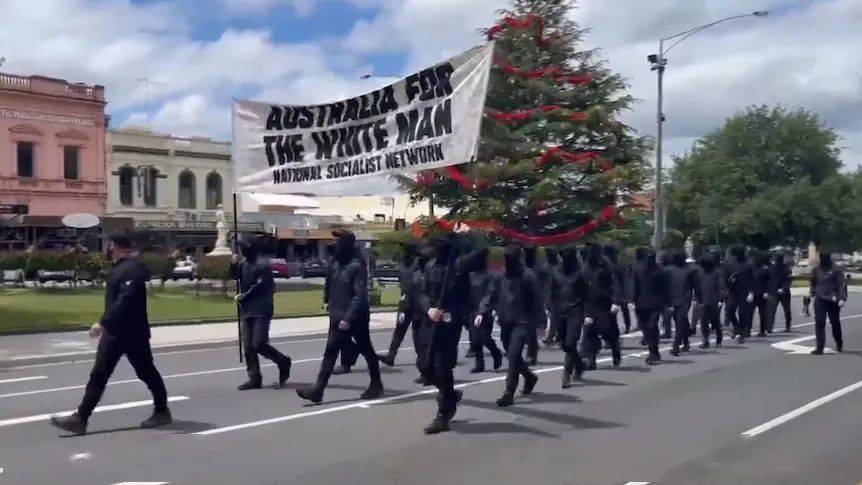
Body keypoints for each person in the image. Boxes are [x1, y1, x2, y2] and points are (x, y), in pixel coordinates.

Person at [50, 234, 171, 435]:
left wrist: (102, 323)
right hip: (114, 333)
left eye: (109, 245)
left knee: (146, 372)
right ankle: (80, 419)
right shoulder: (119, 269)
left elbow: (125, 301)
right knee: (99, 374)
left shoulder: (132, 269)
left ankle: (161, 410)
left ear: (114, 245)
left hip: (133, 334)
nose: (107, 248)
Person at [297, 230, 383, 403]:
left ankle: (375, 384)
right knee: (333, 351)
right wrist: (326, 300)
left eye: (338, 241)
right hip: (337, 314)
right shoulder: (335, 262)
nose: (335, 244)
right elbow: (329, 283)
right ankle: (318, 390)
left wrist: (348, 318)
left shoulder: (356, 265)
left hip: (354, 316)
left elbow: (359, 296)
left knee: (364, 349)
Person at [417, 228, 483, 434]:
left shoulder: (458, 265)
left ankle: (444, 414)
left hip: (448, 322)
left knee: (443, 368)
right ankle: (450, 394)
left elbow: (482, 250)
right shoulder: (429, 266)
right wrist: (429, 308)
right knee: (424, 366)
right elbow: (420, 292)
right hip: (430, 320)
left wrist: (470, 233)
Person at [479, 245, 541, 406]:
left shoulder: (528, 276)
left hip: (523, 322)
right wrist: (482, 311)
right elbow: (490, 294)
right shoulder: (500, 276)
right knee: (512, 355)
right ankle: (529, 377)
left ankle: (509, 392)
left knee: (513, 356)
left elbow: (536, 301)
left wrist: (540, 323)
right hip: (505, 321)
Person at [234, 236, 292, 391]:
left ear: (251, 248)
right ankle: (254, 378)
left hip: (261, 309)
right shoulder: (242, 265)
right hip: (247, 310)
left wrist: (244, 296)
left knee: (259, 344)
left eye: (243, 247)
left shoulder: (262, 265)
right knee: (248, 346)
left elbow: (260, 285)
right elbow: (234, 278)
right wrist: (232, 265)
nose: (241, 250)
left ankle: (283, 361)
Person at [581, 243, 622, 369]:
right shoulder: (585, 267)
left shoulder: (606, 265)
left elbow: (614, 283)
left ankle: (616, 354)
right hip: (590, 303)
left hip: (605, 304)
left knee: (609, 331)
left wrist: (615, 301)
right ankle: (591, 359)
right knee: (589, 331)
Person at [378, 245, 418, 366]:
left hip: (417, 302)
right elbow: (403, 283)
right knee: (399, 330)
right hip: (405, 301)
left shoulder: (417, 265)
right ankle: (391, 355)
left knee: (418, 332)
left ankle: (424, 357)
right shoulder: (402, 267)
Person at [554, 248, 589, 387]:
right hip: (560, 312)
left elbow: (586, 295)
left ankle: (566, 374)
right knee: (563, 344)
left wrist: (587, 314)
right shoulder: (557, 272)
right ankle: (579, 365)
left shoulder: (580, 274)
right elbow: (552, 293)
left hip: (576, 311)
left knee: (571, 343)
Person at [467, 248, 503, 373]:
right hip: (472, 309)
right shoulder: (470, 275)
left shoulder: (490, 275)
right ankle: (479, 363)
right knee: (475, 338)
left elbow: (490, 293)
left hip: (486, 310)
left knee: (484, 337)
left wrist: (483, 311)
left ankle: (496, 352)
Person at [633, 248, 669, 365]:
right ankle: (653, 350)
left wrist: (666, 303)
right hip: (641, 303)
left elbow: (665, 288)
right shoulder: (638, 270)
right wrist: (631, 300)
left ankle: (653, 353)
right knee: (645, 328)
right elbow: (634, 286)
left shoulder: (660, 271)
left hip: (655, 304)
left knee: (652, 326)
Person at [809, 252, 847, 354]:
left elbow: (842, 284)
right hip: (820, 299)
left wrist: (842, 298)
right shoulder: (816, 270)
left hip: (833, 300)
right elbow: (813, 283)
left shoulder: (836, 270)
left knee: (834, 322)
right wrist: (812, 293)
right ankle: (819, 347)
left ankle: (839, 342)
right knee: (819, 323)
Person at [666, 252, 697, 356]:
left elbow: (693, 285)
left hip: (684, 300)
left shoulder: (689, 270)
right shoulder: (669, 270)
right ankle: (686, 342)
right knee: (681, 322)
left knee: (679, 322)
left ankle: (676, 346)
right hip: (673, 300)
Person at [523, 244, 549, 365]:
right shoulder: (521, 266)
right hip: (521, 299)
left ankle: (531, 354)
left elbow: (545, 284)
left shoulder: (540, 268)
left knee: (531, 328)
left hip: (535, 300)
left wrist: (544, 298)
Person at [724, 246, 755, 343]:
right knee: (729, 310)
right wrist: (727, 286)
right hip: (733, 291)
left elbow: (752, 280)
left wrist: (751, 292)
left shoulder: (749, 264)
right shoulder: (730, 263)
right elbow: (726, 277)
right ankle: (736, 327)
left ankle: (741, 333)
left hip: (745, 292)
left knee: (743, 314)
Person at [695, 251, 725, 348]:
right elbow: (698, 287)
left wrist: (720, 300)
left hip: (714, 300)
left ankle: (719, 338)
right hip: (703, 301)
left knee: (715, 320)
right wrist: (697, 299)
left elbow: (721, 287)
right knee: (703, 321)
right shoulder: (700, 273)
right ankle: (705, 340)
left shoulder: (717, 273)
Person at [604, 245, 633, 334]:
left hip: (616, 290)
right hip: (617, 290)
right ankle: (626, 326)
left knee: (617, 310)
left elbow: (624, 279)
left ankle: (625, 326)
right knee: (621, 310)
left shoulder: (611, 264)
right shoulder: (617, 264)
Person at [543, 248, 563, 345]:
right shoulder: (547, 266)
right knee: (554, 316)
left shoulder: (560, 266)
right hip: (550, 294)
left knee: (554, 316)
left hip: (558, 295)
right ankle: (558, 335)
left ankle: (550, 337)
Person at [752, 251, 774, 337]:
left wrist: (767, 292)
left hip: (762, 294)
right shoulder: (751, 270)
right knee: (749, 313)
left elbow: (770, 282)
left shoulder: (765, 270)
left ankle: (762, 330)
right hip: (753, 294)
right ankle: (747, 330)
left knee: (762, 314)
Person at [772, 252, 793, 332]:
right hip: (782, 291)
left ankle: (772, 325)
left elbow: (788, 280)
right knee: (785, 309)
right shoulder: (787, 268)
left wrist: (782, 288)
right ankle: (787, 326)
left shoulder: (775, 268)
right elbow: (789, 280)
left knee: (780, 309)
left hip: (781, 291)